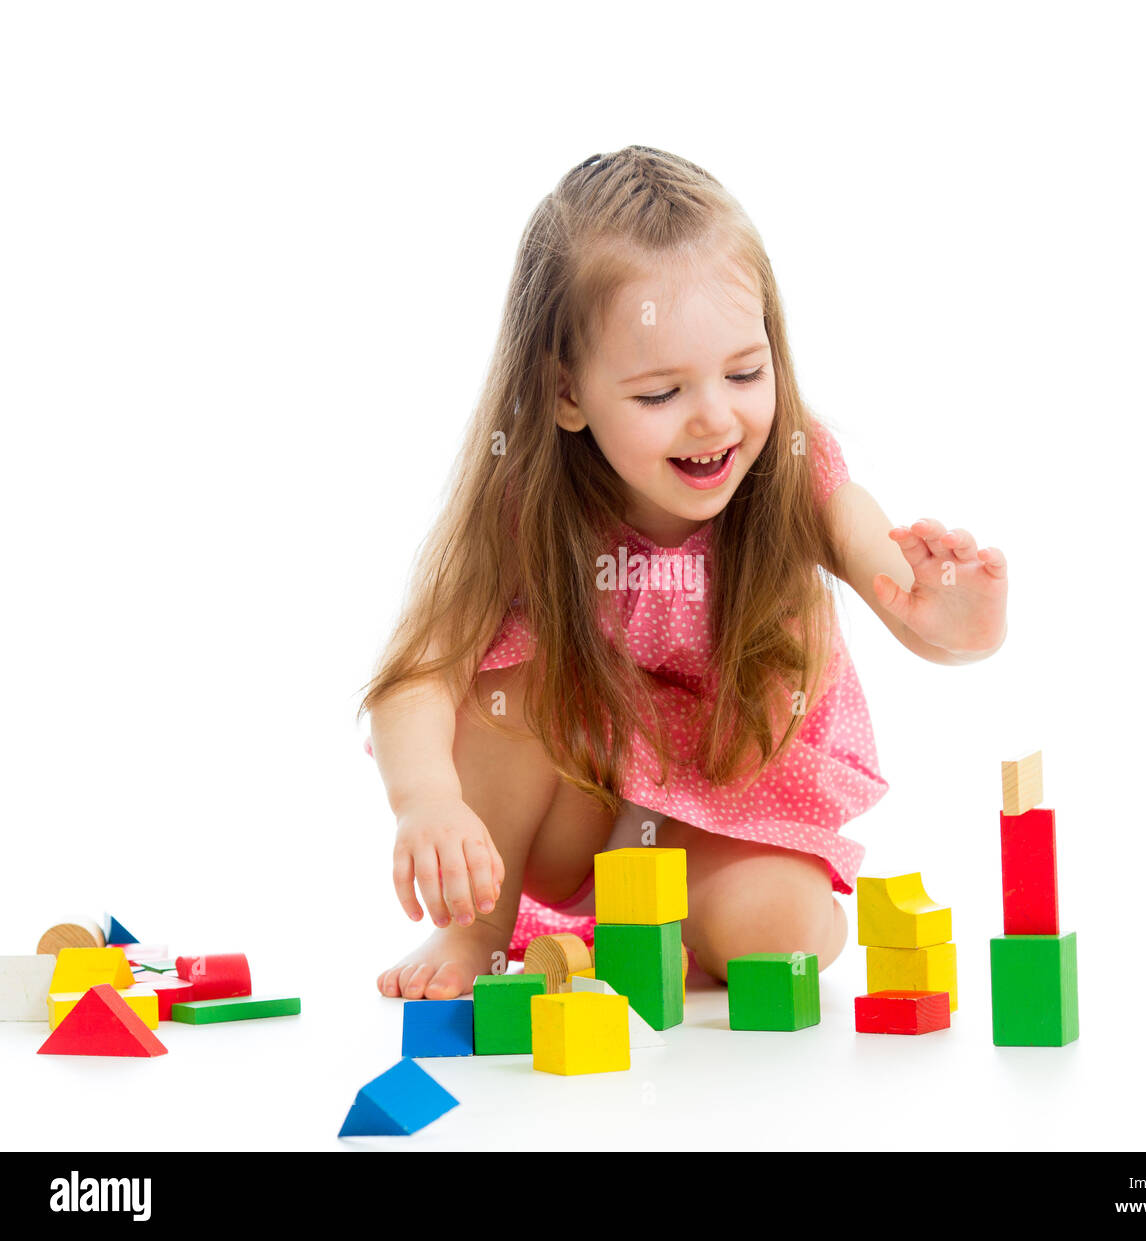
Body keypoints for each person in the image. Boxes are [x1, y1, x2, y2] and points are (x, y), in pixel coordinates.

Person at [359, 146, 1008, 1001]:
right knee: (499, 690)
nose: (715, 417)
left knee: (783, 935)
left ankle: (656, 931)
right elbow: (419, 673)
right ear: (566, 393)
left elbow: (893, 579)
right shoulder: (525, 499)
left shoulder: (794, 464)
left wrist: (959, 629)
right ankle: (482, 928)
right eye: (660, 393)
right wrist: (428, 802)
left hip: (720, 807)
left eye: (745, 371)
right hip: (574, 812)